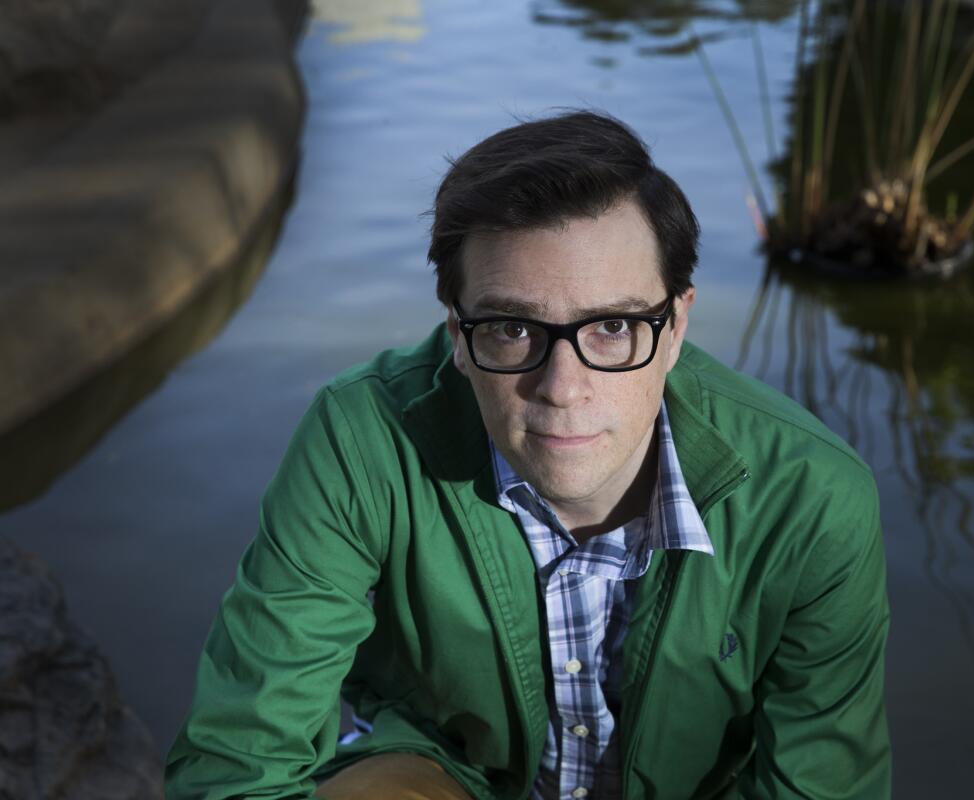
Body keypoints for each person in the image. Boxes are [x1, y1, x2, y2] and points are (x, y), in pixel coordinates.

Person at [165, 111, 891, 800]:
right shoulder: (360, 440)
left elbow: (819, 783)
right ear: (456, 333)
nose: (562, 388)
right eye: (513, 329)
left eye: (612, 326)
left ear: (675, 329)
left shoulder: (814, 500)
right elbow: (239, 763)